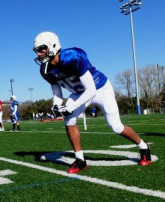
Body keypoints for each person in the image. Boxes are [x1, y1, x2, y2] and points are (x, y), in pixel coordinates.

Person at [33, 31, 151, 174]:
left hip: (100, 88)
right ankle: (80, 160)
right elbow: (57, 91)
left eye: (41, 49)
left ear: (53, 46)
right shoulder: (45, 70)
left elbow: (91, 90)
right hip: (78, 92)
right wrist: (56, 105)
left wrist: (71, 106)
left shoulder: (72, 57)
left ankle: (143, 146)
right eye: (37, 50)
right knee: (69, 120)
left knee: (116, 126)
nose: (39, 54)